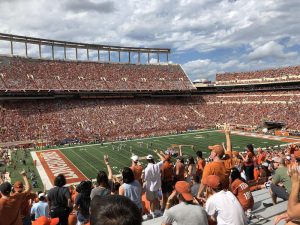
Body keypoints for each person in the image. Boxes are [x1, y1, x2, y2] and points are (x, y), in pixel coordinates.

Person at [144, 150, 165, 218]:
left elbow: (145, 178)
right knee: (156, 199)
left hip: (151, 187)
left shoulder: (147, 169)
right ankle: (157, 210)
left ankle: (152, 212)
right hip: (157, 185)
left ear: (147, 160)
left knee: (152, 201)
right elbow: (163, 159)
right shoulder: (157, 165)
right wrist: (157, 153)